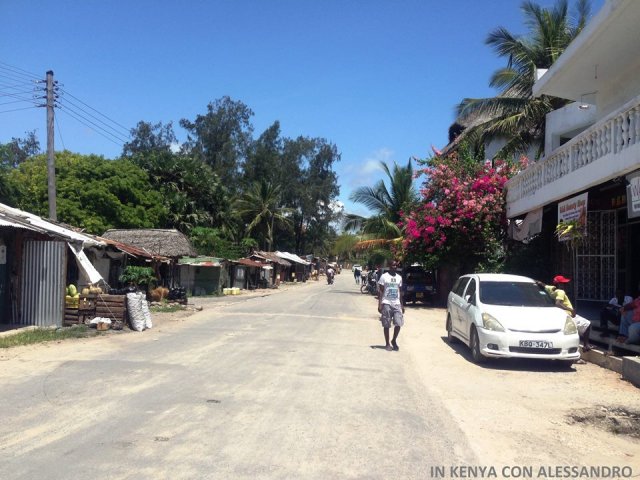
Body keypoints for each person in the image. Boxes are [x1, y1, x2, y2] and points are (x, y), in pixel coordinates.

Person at [538, 275, 593, 352]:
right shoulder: (561, 292)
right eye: (563, 283)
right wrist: (571, 309)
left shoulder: (551, 289)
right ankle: (586, 346)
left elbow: (543, 285)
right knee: (587, 324)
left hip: (560, 315)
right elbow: (557, 303)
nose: (566, 285)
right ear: (559, 284)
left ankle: (584, 347)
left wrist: (536, 282)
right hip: (568, 315)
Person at [377, 261, 404, 351]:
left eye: (396, 265)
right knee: (386, 324)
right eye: (393, 265)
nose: (395, 266)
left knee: (398, 323)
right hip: (387, 303)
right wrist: (380, 304)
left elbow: (399, 291)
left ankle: (394, 340)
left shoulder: (399, 277)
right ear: (389, 266)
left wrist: (402, 305)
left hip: (396, 303)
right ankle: (387, 343)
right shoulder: (384, 276)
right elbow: (381, 291)